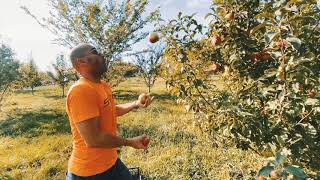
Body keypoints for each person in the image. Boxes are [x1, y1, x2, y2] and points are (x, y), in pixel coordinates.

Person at [65, 43, 154, 180]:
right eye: (95, 51)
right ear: (81, 61)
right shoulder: (81, 90)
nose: (101, 54)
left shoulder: (102, 85)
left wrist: (136, 104)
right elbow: (94, 139)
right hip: (90, 172)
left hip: (111, 161)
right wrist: (130, 142)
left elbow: (111, 110)